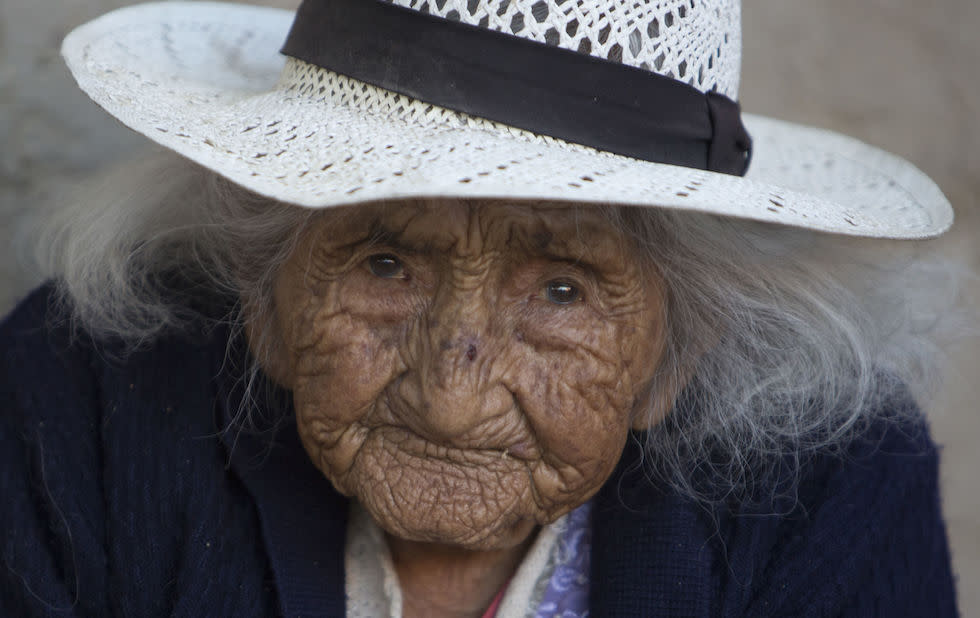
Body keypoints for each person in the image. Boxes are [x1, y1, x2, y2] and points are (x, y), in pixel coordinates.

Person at [0, 0, 964, 616]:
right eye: (385, 265)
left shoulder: (835, 490)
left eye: (560, 291)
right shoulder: (77, 399)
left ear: (678, 350)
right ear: (264, 298)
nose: (451, 401)